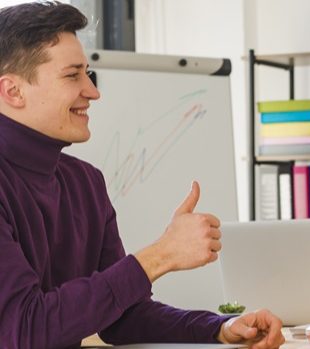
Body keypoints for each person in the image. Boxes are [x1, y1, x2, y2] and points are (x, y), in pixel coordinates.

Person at [0, 2, 284, 349]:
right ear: (13, 91)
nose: (92, 90)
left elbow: (122, 317)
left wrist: (219, 328)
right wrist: (161, 255)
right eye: (73, 75)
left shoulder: (85, 183)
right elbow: (23, 330)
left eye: (87, 73)